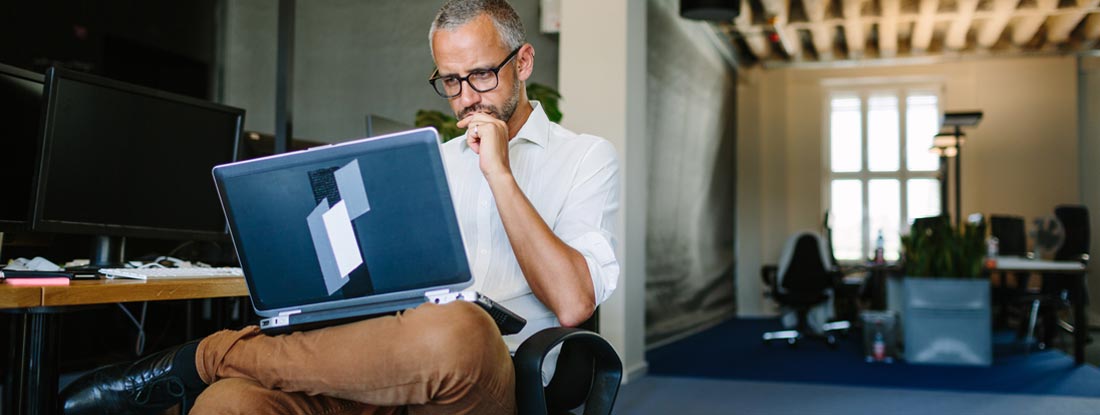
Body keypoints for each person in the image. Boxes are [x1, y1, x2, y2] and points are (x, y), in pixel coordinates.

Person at [60, 0, 621, 413]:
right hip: (382, 364)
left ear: (522, 63)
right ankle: (214, 370)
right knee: (230, 404)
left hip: (491, 373)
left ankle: (202, 357)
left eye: (481, 74)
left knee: (461, 329)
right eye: (450, 82)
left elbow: (573, 303)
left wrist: (498, 173)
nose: (467, 97)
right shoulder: (428, 159)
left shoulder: (586, 158)